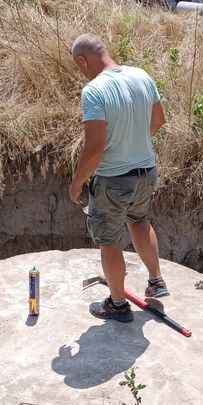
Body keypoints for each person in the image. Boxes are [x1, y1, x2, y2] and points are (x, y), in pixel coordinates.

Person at [68, 33, 168, 323]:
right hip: (146, 172)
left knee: (109, 239)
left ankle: (118, 304)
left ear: (84, 60)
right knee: (140, 221)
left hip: (114, 179)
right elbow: (159, 120)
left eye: (79, 66)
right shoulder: (142, 76)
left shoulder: (94, 91)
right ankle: (156, 280)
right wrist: (134, 143)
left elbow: (95, 149)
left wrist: (76, 184)